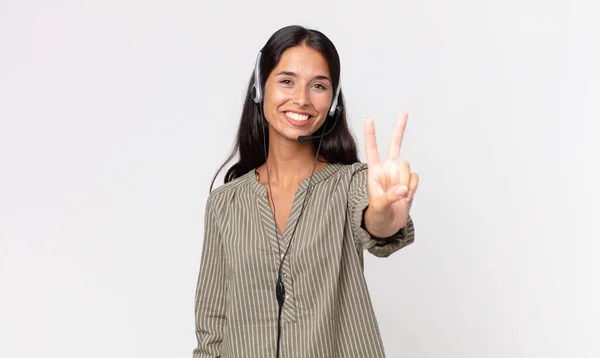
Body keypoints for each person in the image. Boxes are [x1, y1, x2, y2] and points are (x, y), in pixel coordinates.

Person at [193, 25, 419, 358]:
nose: (302, 98)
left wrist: (384, 217)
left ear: (332, 101)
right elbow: (212, 328)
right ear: (260, 88)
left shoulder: (351, 184)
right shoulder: (225, 203)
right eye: (287, 81)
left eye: (318, 86)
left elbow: (375, 223)